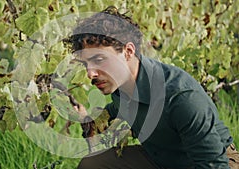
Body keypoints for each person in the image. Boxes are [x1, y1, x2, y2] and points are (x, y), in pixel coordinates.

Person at [66, 6, 239, 169]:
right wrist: (87, 119)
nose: (90, 74)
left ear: (128, 51)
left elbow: (213, 163)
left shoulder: (181, 97)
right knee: (94, 165)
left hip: (213, 162)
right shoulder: (120, 88)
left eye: (99, 60)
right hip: (163, 159)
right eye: (85, 64)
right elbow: (114, 111)